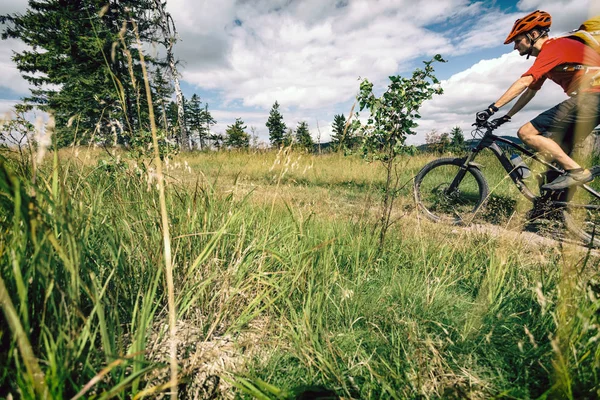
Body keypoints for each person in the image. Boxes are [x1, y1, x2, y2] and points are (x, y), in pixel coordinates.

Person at [475, 10, 600, 190]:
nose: (515, 47)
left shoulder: (554, 48)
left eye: (518, 41)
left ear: (533, 34)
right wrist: (507, 116)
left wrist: (492, 109)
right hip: (592, 101)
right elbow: (530, 91)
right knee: (553, 156)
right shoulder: (549, 56)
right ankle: (553, 207)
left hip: (592, 97)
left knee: (526, 133)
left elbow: (524, 82)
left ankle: (577, 171)